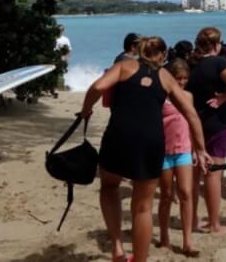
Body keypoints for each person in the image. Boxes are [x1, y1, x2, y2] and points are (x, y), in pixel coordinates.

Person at [80, 37, 210, 262]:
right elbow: (190, 113)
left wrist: (85, 110)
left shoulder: (123, 66)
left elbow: (98, 87)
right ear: (161, 55)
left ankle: (118, 247)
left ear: (140, 52)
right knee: (142, 207)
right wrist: (200, 148)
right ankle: (139, 259)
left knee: (109, 187)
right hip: (150, 141)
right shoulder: (165, 77)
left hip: (118, 136)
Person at [187, 27, 226, 234]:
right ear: (216, 44)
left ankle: (192, 220)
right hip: (217, 122)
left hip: (193, 122)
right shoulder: (219, 62)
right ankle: (213, 223)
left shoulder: (190, 63)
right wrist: (222, 99)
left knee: (193, 173)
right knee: (213, 173)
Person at [157, 59, 197, 256]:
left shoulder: (188, 96)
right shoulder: (160, 98)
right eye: (178, 78)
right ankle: (164, 237)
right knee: (165, 195)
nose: (181, 82)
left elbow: (193, 122)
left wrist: (198, 148)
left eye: (184, 78)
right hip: (163, 152)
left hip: (184, 150)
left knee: (186, 193)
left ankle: (187, 240)